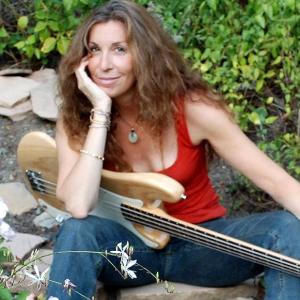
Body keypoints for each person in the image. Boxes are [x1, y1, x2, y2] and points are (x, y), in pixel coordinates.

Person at [46, 0, 300, 299]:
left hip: (203, 247)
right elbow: (77, 206)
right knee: (77, 231)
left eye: (120, 49)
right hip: (130, 254)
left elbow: (278, 183)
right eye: (93, 50)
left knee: (285, 227)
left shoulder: (193, 108)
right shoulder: (76, 118)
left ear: (146, 54)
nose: (104, 64)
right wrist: (100, 112)